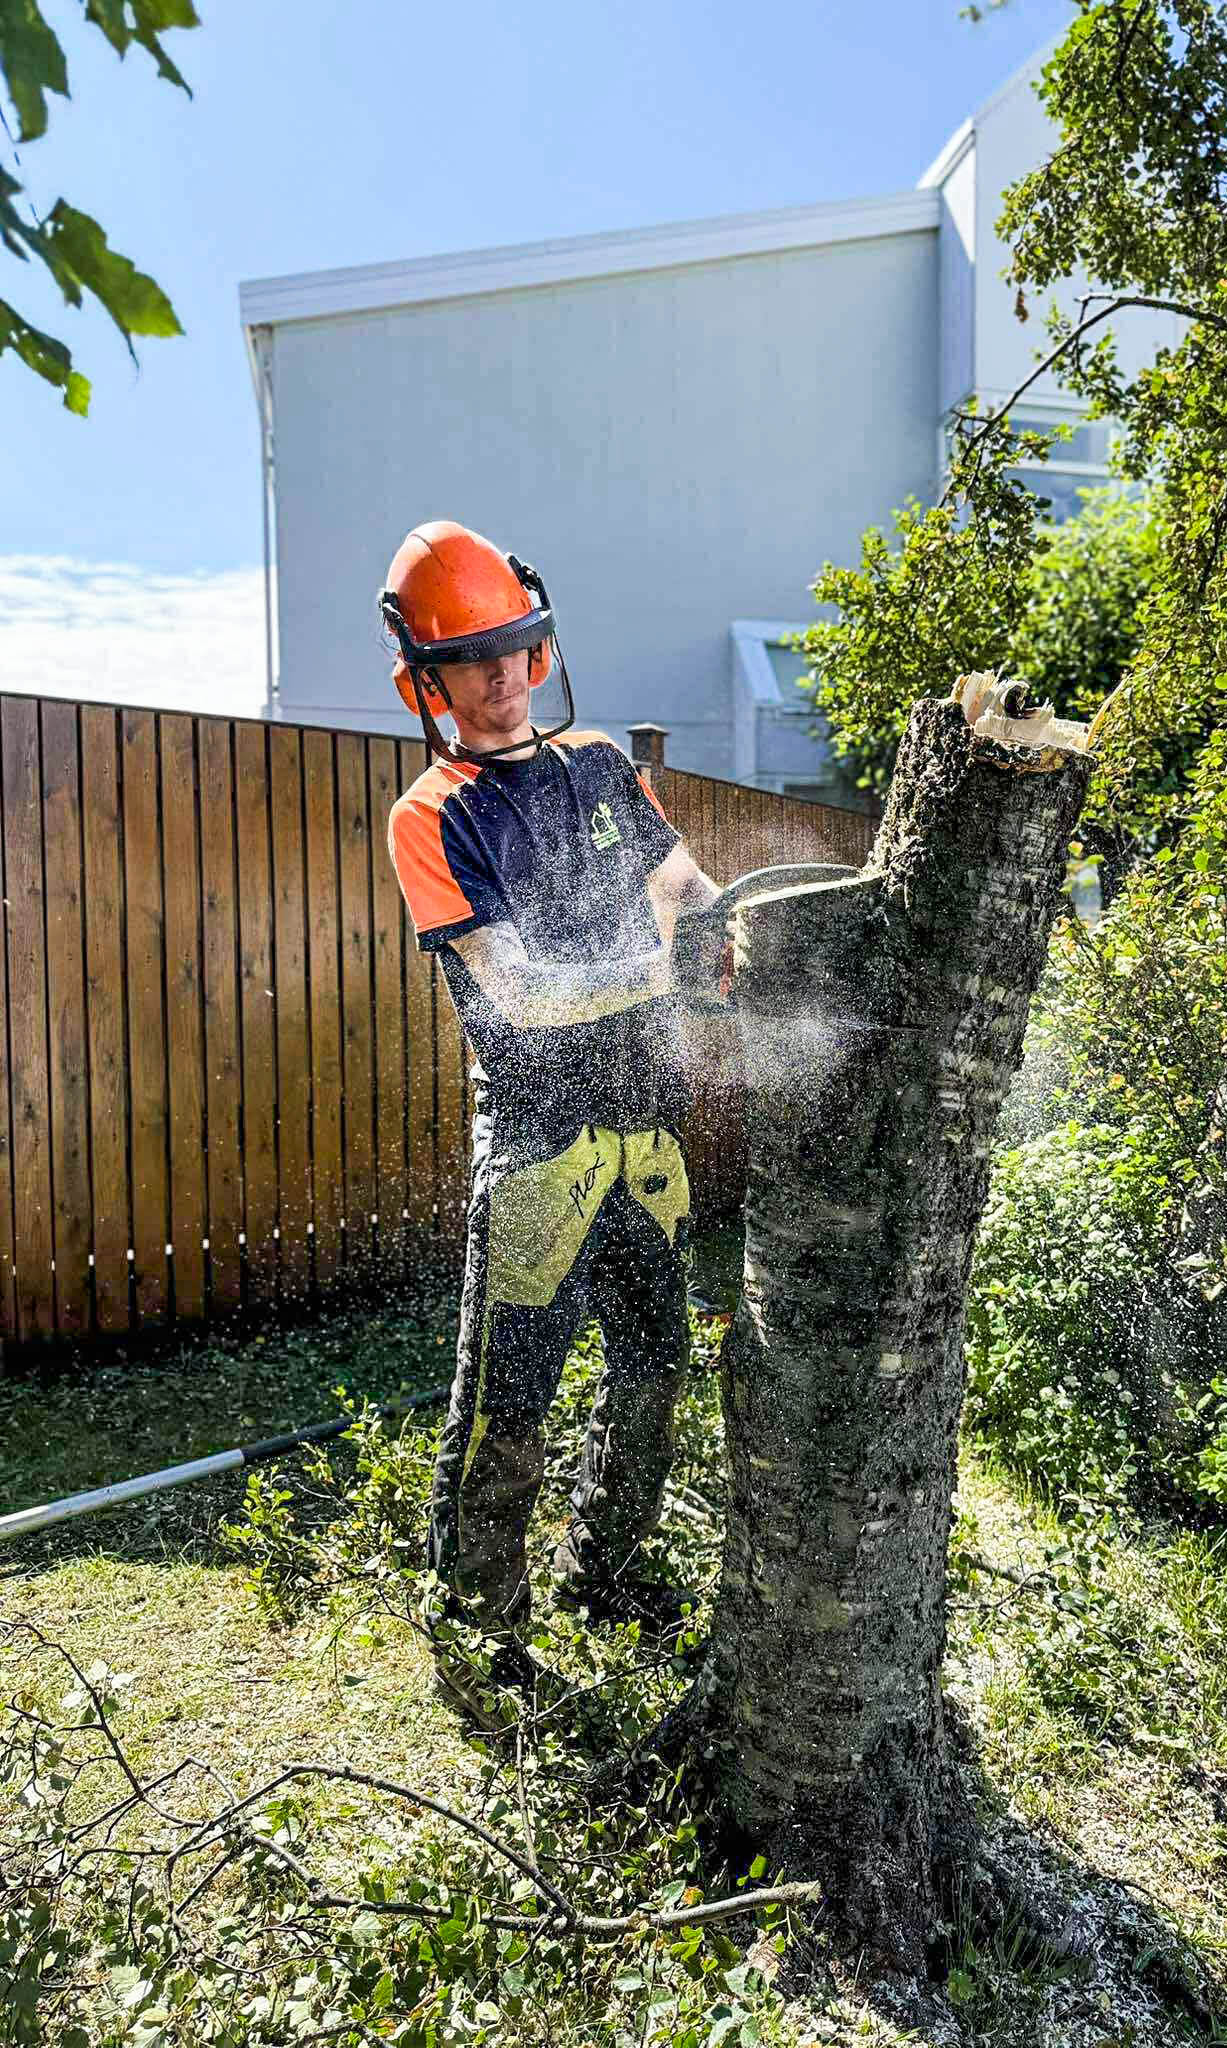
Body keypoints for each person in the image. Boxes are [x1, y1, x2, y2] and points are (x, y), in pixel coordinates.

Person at [380, 520, 722, 1698]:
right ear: (424, 681)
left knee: (655, 1367)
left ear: (543, 646)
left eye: (516, 648)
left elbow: (675, 877)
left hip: (649, 1133)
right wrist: (662, 970)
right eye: (469, 659)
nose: (498, 677)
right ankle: (480, 1624)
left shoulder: (597, 766)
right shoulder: (433, 815)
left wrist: (722, 913)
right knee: (506, 1406)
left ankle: (608, 1566)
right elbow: (516, 991)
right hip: (539, 1147)